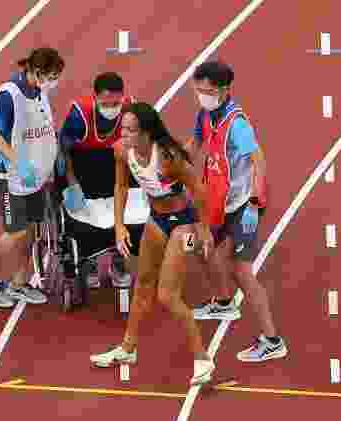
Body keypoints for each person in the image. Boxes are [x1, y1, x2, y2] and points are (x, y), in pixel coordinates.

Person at [89, 102, 216, 386]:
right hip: (156, 219)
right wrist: (119, 225)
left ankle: (202, 358)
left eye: (130, 130)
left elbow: (199, 189)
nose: (123, 134)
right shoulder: (122, 151)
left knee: (167, 295)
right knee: (143, 284)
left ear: (146, 133)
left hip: (184, 223)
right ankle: (127, 348)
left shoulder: (169, 157)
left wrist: (204, 229)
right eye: (122, 128)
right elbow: (121, 186)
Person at [188, 61, 287, 363]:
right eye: (198, 90)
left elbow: (259, 160)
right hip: (217, 200)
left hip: (243, 205)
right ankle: (223, 302)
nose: (201, 95)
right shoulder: (205, 115)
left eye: (207, 91)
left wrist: (255, 204)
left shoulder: (237, 124)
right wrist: (171, 168)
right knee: (199, 247)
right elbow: (194, 144)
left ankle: (272, 340)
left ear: (224, 90)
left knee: (241, 271)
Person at [0, 47, 65, 308]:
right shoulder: (9, 94)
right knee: (15, 232)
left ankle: (18, 283)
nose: (55, 81)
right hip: (7, 173)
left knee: (31, 229)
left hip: (34, 173)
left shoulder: (39, 90)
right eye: (52, 76)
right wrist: (20, 164)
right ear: (37, 72)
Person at [58, 72, 138, 287]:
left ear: (123, 96)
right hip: (83, 168)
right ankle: (89, 259)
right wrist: (72, 182)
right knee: (87, 217)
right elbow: (64, 152)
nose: (111, 107)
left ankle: (118, 259)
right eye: (105, 103)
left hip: (116, 165)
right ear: (95, 97)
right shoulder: (79, 115)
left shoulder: (131, 109)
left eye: (116, 102)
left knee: (129, 210)